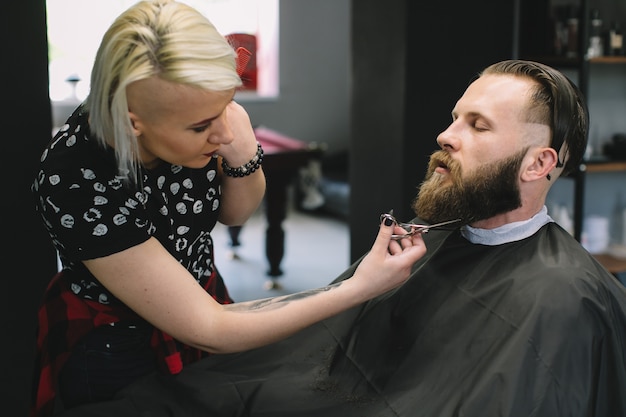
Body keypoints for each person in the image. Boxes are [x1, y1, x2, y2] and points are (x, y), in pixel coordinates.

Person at [49, 59, 626, 417]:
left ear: (537, 164)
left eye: (476, 126)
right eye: (455, 117)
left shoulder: (566, 299)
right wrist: (359, 289)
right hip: (147, 340)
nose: (445, 135)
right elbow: (226, 330)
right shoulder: (75, 170)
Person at [29, 1, 427, 416]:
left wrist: (243, 156)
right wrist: (357, 289)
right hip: (116, 340)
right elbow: (210, 328)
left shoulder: (205, 115)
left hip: (205, 295)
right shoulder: (75, 179)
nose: (223, 130)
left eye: (227, 105)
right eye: (201, 126)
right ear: (133, 123)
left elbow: (236, 213)